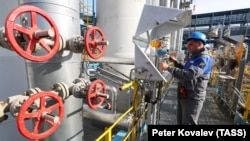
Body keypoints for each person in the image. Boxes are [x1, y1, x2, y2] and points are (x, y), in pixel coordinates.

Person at [160, 31, 214, 125]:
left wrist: (168, 68)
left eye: (191, 44)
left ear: (200, 44)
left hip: (193, 97)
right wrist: (176, 62)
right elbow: (186, 69)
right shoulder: (194, 57)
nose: (188, 46)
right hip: (185, 94)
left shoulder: (204, 59)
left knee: (188, 123)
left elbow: (190, 74)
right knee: (181, 122)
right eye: (188, 44)